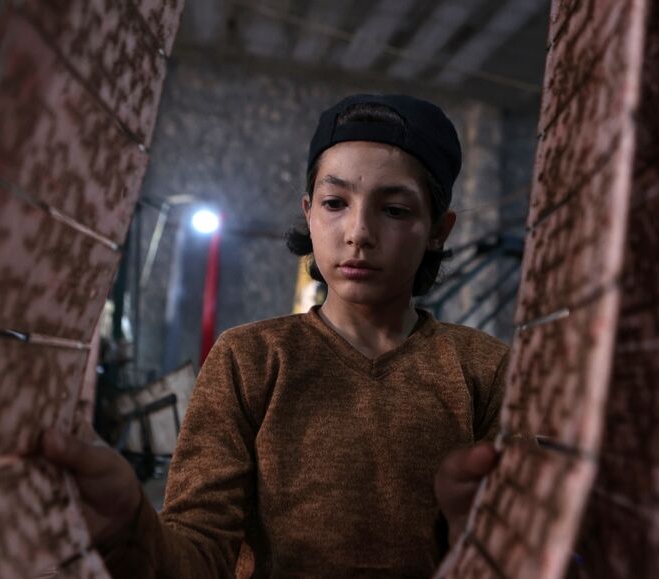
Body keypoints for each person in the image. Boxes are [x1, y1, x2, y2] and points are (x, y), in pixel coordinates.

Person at [42, 93, 510, 577]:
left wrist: (468, 530)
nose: (358, 232)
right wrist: (129, 526)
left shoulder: (483, 370)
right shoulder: (250, 360)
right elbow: (198, 553)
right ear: (308, 212)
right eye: (335, 203)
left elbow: (518, 554)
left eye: (394, 210)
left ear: (438, 229)